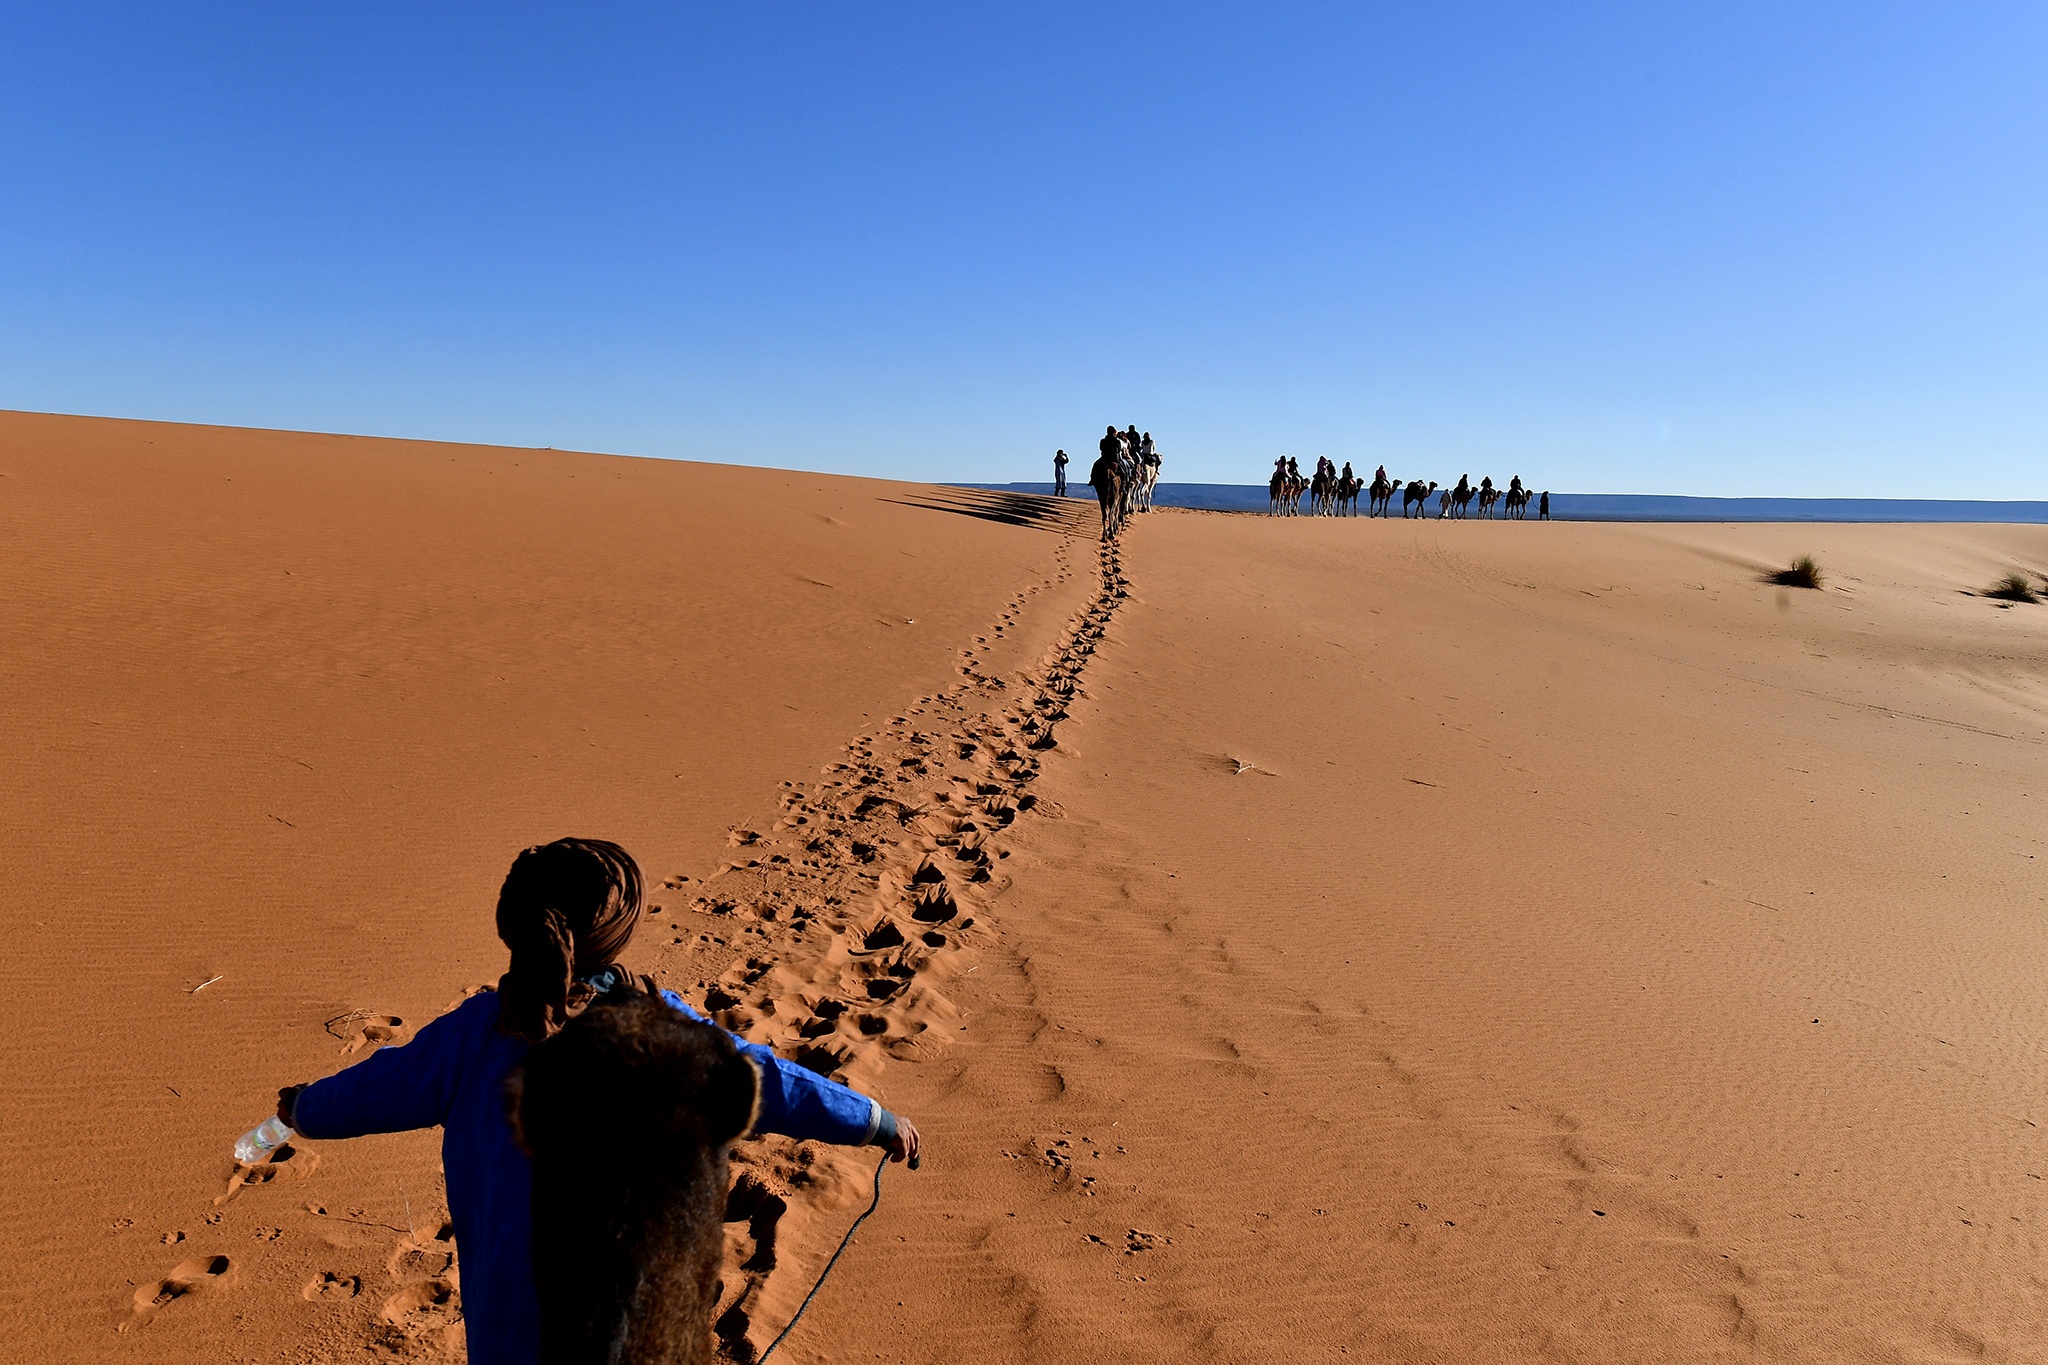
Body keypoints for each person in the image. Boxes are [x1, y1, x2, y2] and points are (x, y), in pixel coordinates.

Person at [273, 838, 920, 1365]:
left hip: (509, 1328)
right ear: (619, 931)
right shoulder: (662, 1028)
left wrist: (303, 1108)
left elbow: (375, 1089)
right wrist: (874, 1120)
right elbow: (771, 1081)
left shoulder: (473, 1035)